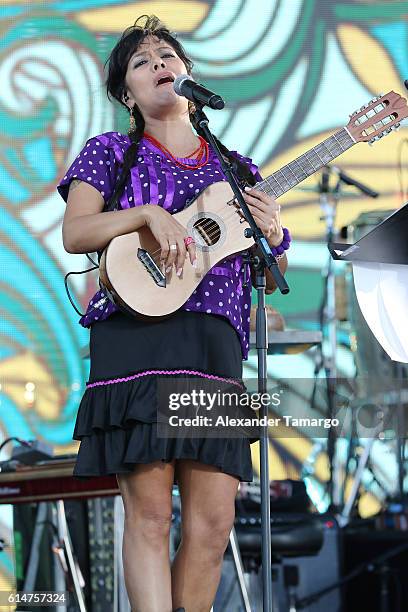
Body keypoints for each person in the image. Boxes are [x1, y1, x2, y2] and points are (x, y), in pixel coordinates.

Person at [58, 15, 289, 612]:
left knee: (213, 525)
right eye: (141, 62)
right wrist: (143, 215)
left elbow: (265, 275)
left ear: (188, 73)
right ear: (125, 93)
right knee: (153, 513)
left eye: (167, 55)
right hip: (138, 337)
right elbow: (77, 231)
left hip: (214, 343)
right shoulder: (109, 151)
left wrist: (273, 232)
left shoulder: (236, 170)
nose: (159, 63)